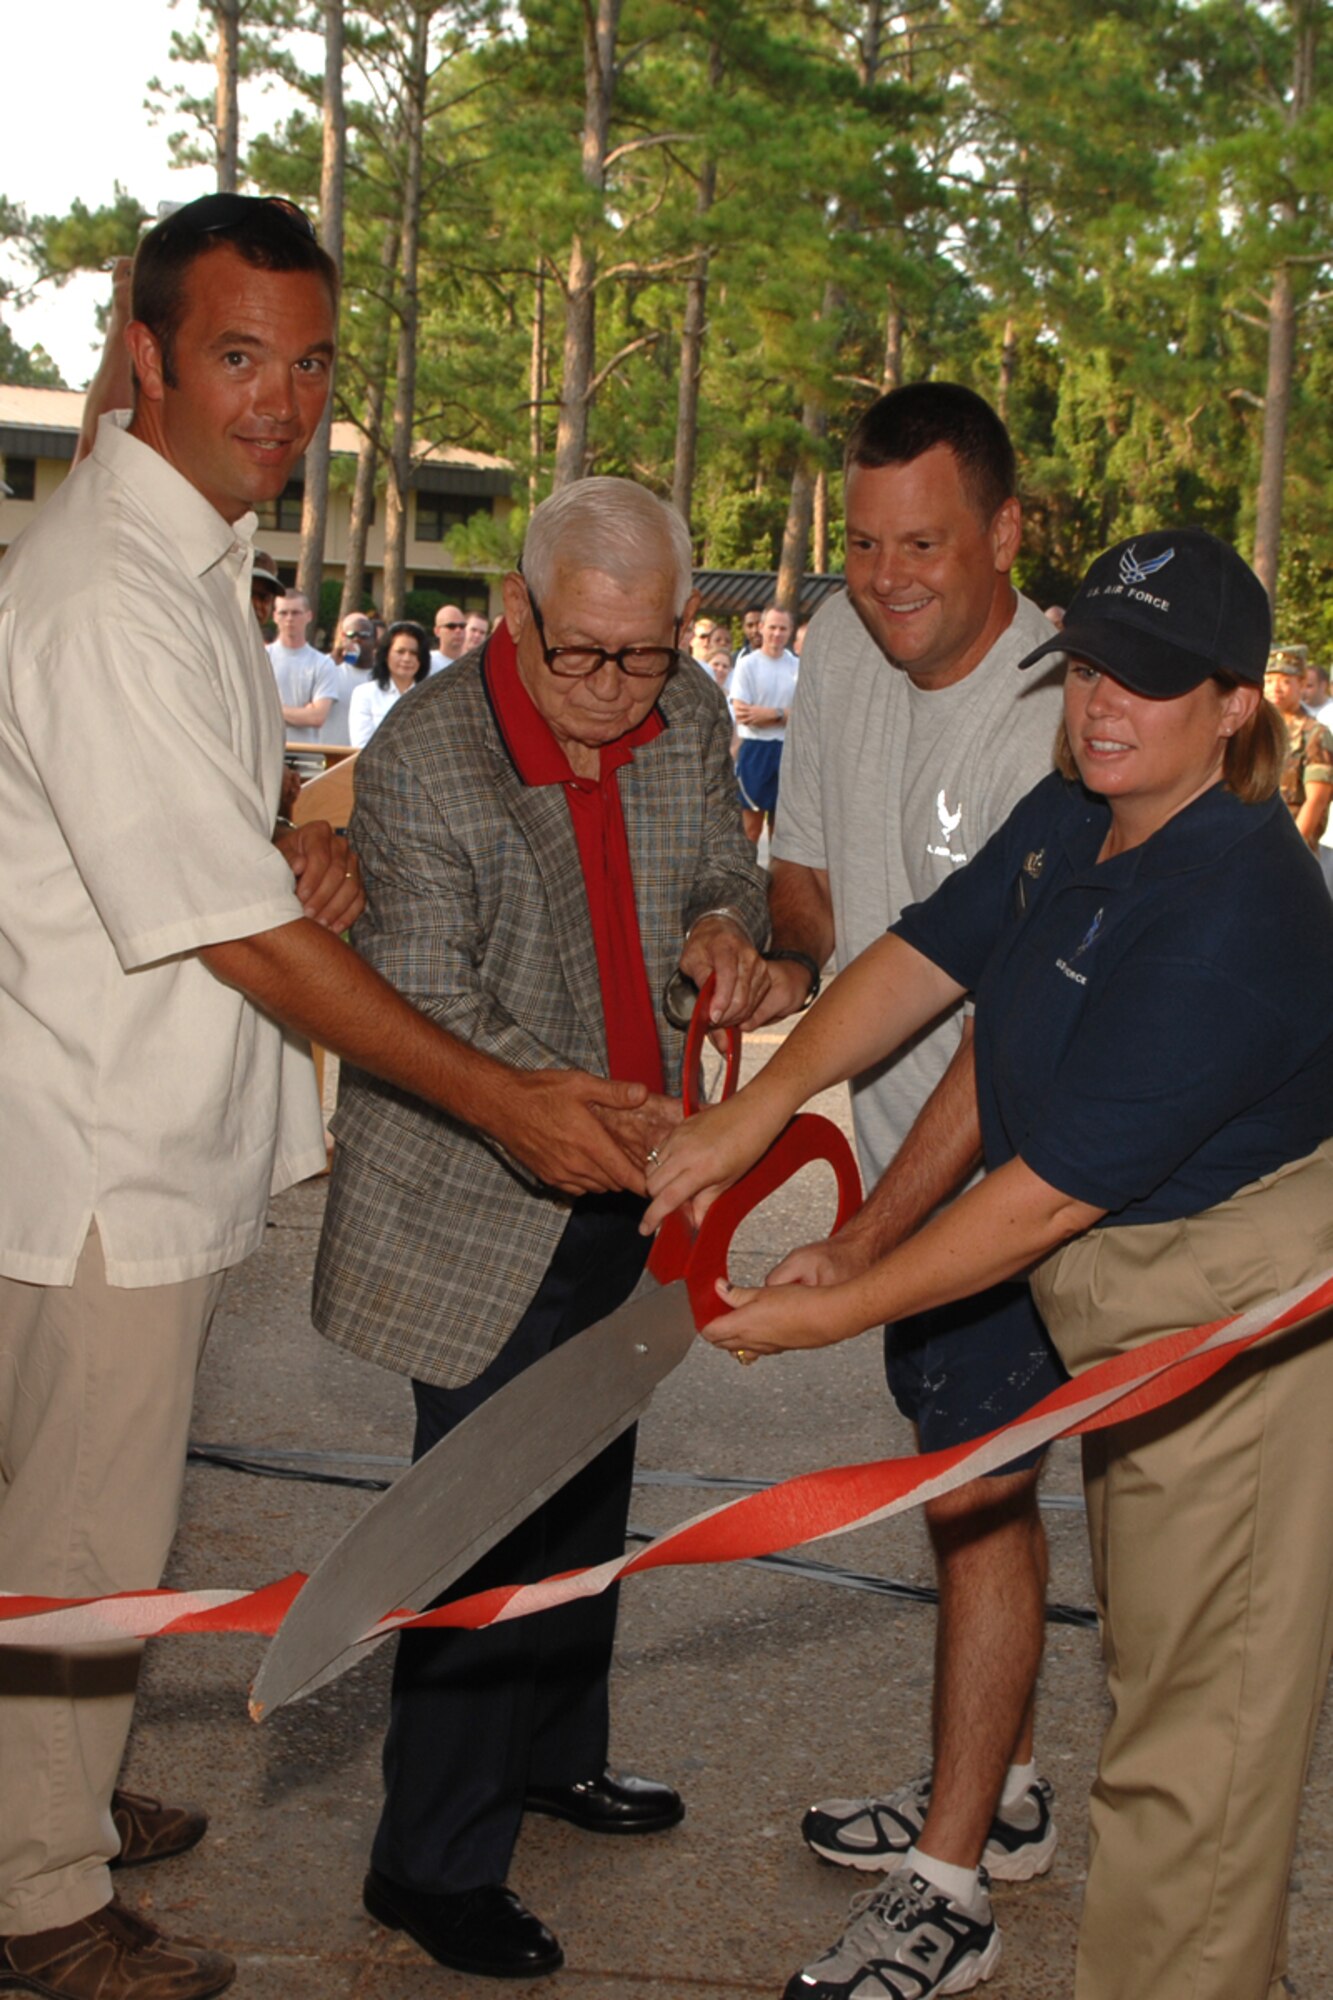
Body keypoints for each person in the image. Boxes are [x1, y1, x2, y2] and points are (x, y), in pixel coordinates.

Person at [0, 192, 660, 2000]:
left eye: (304, 364)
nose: (279, 402)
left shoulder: (192, 557)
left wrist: (298, 846)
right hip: (90, 1162)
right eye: (235, 356)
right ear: (144, 355)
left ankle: (42, 1789)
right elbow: (228, 937)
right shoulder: (107, 590)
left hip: (122, 1133)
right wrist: (505, 1098)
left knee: (81, 1519)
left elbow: (202, 859)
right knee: (77, 1527)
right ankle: (38, 1899)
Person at [646, 525, 1333, 2000]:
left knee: (1194, 1753)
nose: (1099, 707)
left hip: (1230, 1324)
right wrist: (760, 1109)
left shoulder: (1236, 903)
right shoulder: (1080, 815)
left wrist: (836, 1307)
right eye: (1085, 669)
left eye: (1144, 684)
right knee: (1166, 1686)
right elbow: (926, 964)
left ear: (1231, 707)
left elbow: (1040, 1199)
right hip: (1140, 1310)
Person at [311, 476, 771, 1982]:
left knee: (588, 1480)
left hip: (632, 1180)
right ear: (517, 610)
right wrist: (584, 1108)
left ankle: (559, 1754)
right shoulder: (427, 760)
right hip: (479, 1189)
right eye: (581, 654)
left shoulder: (684, 712)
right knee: (475, 1521)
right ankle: (427, 1868)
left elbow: (724, 864)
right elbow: (426, 1002)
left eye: (645, 655)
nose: (613, 691)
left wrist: (725, 928)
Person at [744, 382, 1065, 1969]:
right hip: (897, 1159)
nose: (885, 579)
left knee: (983, 1489)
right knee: (964, 1484)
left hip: (1014, 1176)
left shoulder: (1065, 707)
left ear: (1005, 533)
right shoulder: (834, 647)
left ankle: (948, 1888)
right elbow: (815, 886)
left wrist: (870, 1237)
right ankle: (997, 1786)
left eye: (923, 544)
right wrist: (753, 950)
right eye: (863, 545)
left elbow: (997, 1021)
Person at [731, 604, 798, 840]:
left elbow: (805, 715)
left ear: (790, 631)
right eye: (772, 627)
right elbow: (744, 715)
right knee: (750, 828)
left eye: (782, 628)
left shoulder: (797, 666)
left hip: (787, 750)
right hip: (755, 750)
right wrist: (784, 715)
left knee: (781, 832)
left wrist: (772, 714)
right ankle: (746, 877)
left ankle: (776, 877)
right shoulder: (748, 664)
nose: (777, 634)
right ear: (761, 628)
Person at [1264, 645, 1333, 851]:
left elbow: (1316, 801)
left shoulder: (1315, 734)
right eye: (1269, 681)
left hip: (1291, 846)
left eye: (1285, 681)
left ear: (1302, 684)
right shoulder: (1252, 730)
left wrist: (1291, 850)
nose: (1276, 688)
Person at [268, 587, 338, 741]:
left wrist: (269, 708)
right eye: (283, 613)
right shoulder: (261, 657)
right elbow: (251, 709)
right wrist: (302, 713)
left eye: (296, 612)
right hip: (265, 750)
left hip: (306, 755)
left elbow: (317, 717)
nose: (289, 618)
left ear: (309, 616)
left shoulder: (323, 663)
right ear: (274, 616)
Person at [348, 618, 431, 747]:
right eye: (400, 652)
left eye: (414, 653)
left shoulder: (433, 697)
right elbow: (361, 746)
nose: (407, 658)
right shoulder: (365, 694)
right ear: (386, 655)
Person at [322, 610, 378, 746]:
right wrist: (330, 662)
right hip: (331, 752)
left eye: (364, 635)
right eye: (351, 634)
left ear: (375, 641)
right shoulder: (330, 669)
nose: (356, 639)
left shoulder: (383, 676)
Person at [430, 601, 468, 671]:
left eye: (462, 626)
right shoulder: (427, 663)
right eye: (451, 626)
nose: (458, 630)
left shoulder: (473, 665)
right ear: (437, 631)